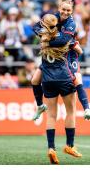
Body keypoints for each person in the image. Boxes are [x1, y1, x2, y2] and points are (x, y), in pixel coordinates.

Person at [32, 0, 90, 120]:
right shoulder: (52, 18)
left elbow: (64, 41)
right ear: (59, 9)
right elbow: (36, 27)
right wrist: (43, 34)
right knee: (34, 80)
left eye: (68, 10)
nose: (65, 12)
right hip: (52, 56)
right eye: (63, 9)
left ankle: (86, 108)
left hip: (69, 55)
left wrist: (46, 41)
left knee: (78, 79)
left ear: (72, 11)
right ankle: (40, 106)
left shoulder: (71, 23)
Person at [35, 13, 82, 164]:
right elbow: (79, 51)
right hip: (63, 77)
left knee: (51, 116)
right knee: (71, 111)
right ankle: (69, 145)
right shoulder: (64, 38)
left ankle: (51, 148)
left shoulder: (43, 39)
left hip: (48, 79)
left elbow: (36, 28)